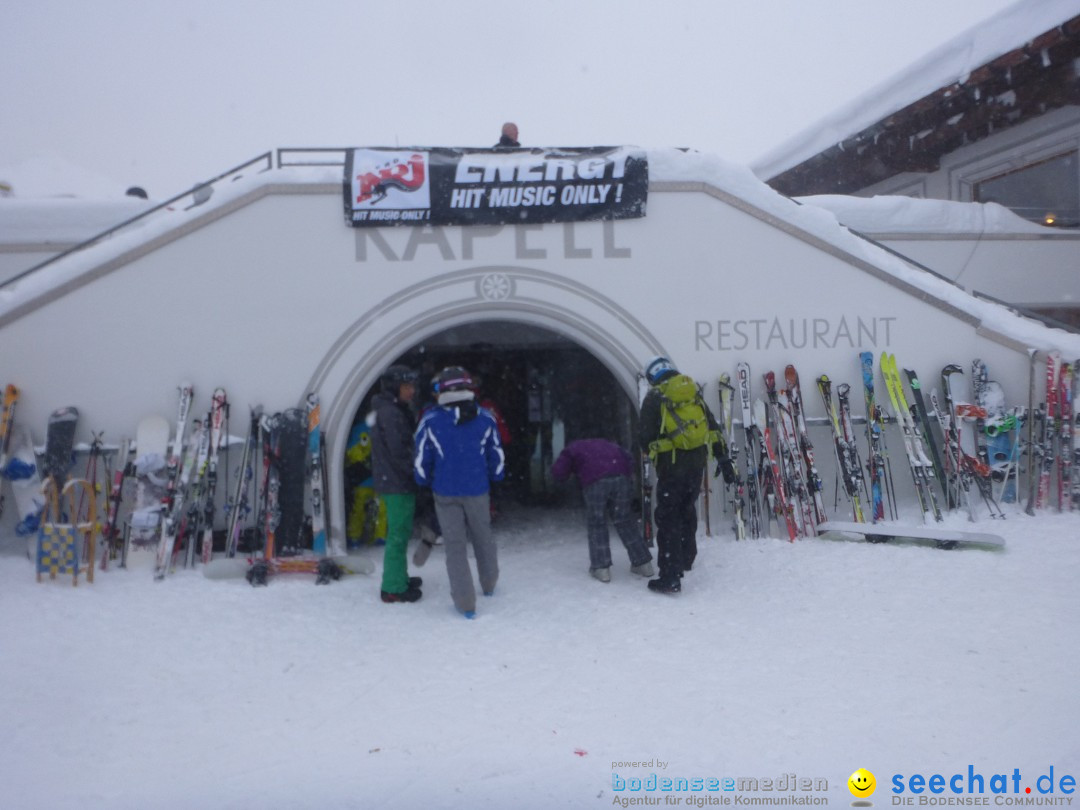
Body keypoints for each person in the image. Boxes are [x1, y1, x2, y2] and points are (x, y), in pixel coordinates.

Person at [638, 357, 736, 594]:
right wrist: (724, 460)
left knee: (668, 516)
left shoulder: (655, 398)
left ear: (652, 377)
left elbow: (645, 436)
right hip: (696, 464)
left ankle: (670, 575)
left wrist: (656, 451)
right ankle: (686, 557)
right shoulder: (692, 392)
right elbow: (712, 428)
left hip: (672, 467)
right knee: (686, 509)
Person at [414, 366, 506, 618]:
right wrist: (496, 479)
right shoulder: (485, 418)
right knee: (483, 536)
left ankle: (466, 603)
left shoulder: (430, 420)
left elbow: (422, 459)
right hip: (477, 489)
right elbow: (496, 455)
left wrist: (422, 482)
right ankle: (489, 582)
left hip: (445, 491)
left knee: (455, 546)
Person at [550, 438, 654, 583]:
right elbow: (629, 458)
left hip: (595, 481)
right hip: (621, 478)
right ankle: (644, 564)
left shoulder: (572, 449)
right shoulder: (610, 445)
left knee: (597, 522)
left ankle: (601, 568)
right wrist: (626, 475)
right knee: (624, 520)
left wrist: (559, 480)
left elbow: (559, 471)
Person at [370, 364, 423, 603]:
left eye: (412, 386)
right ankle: (393, 587)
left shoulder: (391, 409)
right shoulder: (391, 413)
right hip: (397, 482)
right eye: (406, 386)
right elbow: (400, 451)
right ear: (394, 387)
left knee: (399, 533)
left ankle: (399, 577)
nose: (411, 391)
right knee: (398, 535)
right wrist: (417, 473)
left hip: (393, 480)